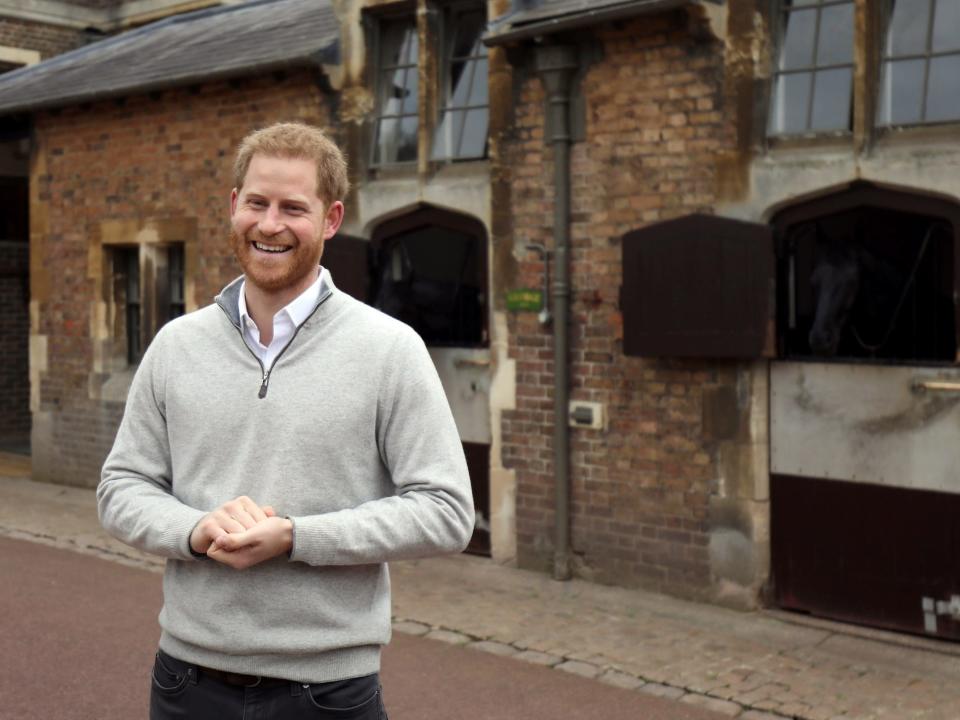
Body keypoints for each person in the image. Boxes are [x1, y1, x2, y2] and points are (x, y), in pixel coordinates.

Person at [97, 122, 475, 719]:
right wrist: (196, 529)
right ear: (233, 207)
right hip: (185, 683)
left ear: (329, 219)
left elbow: (447, 512)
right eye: (257, 203)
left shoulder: (389, 349)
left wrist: (298, 537)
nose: (270, 225)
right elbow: (121, 488)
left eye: (293, 208)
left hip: (326, 692)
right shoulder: (176, 345)